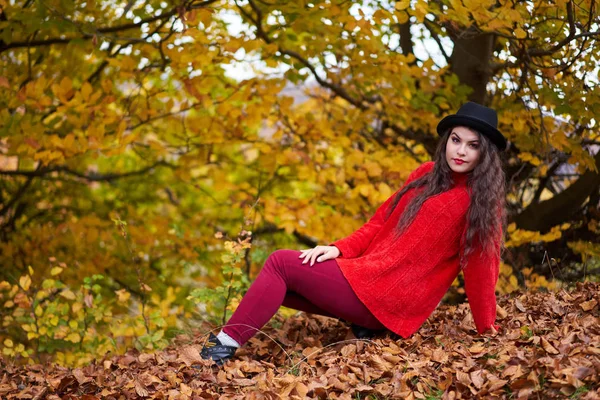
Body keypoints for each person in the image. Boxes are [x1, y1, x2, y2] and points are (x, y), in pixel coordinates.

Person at [200, 102, 508, 365]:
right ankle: (364, 328)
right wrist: (338, 249)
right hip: (369, 280)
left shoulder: (480, 203)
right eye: (456, 140)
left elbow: (482, 269)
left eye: (473, 145)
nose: (461, 151)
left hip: (392, 300)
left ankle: (215, 353)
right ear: (447, 141)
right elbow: (377, 224)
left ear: (486, 154)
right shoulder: (425, 174)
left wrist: (488, 330)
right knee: (284, 286)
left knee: (281, 264)